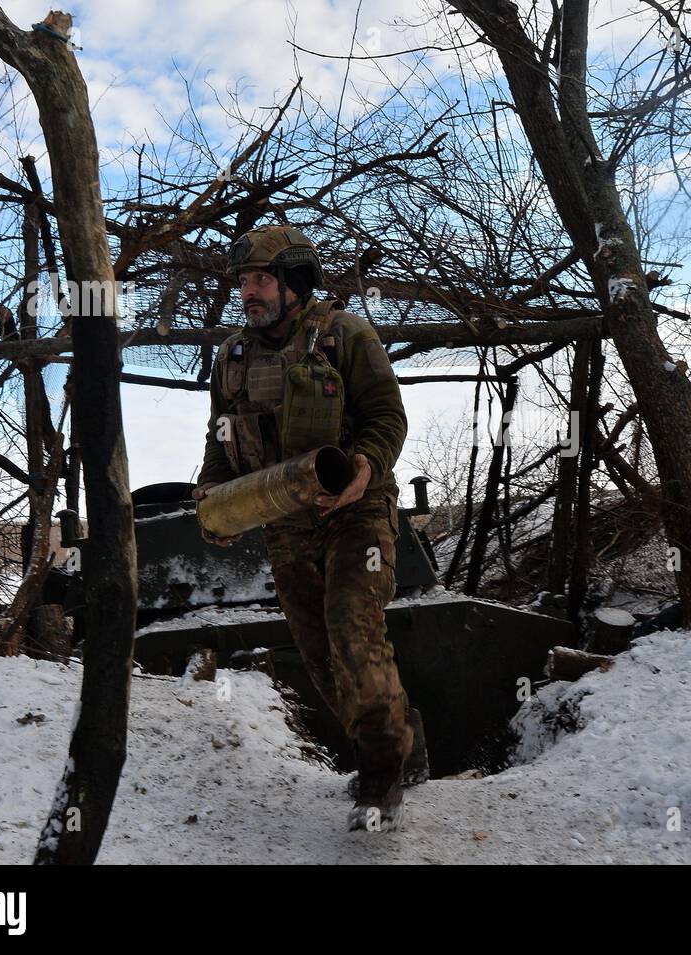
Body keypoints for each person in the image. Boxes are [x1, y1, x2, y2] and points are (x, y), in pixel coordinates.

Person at [192, 223, 425, 832]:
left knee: (353, 628)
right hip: (284, 524)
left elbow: (385, 416)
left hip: (356, 512)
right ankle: (404, 741)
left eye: (261, 278)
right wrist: (215, 497)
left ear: (294, 281)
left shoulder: (345, 334)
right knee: (322, 659)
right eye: (244, 281)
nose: (249, 291)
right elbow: (222, 435)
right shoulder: (233, 356)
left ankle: (380, 777)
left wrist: (367, 465)